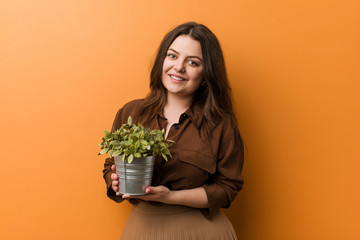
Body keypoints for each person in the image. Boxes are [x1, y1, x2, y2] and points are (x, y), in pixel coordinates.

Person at [102, 22, 244, 239]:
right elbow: (110, 165)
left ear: (207, 74)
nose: (179, 67)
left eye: (193, 62)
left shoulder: (221, 125)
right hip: (142, 230)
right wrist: (114, 180)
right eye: (173, 56)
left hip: (201, 232)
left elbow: (227, 189)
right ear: (162, 60)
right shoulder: (131, 113)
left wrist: (171, 197)